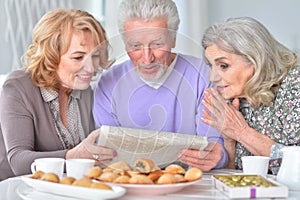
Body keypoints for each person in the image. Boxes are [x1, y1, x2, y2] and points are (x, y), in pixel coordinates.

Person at [93, 0, 228, 171]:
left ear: (173, 39)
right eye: (136, 46)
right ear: (125, 43)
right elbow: (110, 156)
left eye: (157, 44)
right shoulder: (107, 84)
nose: (147, 58)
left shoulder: (205, 75)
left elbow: (213, 147)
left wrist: (217, 156)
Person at [0, 9, 117, 180]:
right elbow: (18, 162)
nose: (91, 68)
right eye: (78, 57)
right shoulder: (19, 87)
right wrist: (72, 156)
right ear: (51, 56)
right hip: (15, 189)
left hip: (61, 188)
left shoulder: (85, 91)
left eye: (95, 56)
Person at [201, 16, 299, 174]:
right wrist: (230, 140)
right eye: (211, 66)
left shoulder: (295, 85)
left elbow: (297, 167)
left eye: (223, 66)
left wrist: (242, 132)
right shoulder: (237, 98)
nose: (213, 77)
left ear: (254, 60)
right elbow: (236, 174)